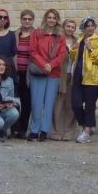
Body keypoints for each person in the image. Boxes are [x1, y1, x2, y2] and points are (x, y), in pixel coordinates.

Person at [27, 8, 68, 141]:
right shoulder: (37, 33)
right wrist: (43, 64)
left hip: (53, 73)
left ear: (57, 20)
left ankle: (45, 130)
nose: (51, 20)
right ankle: (34, 130)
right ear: (45, 18)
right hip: (39, 72)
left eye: (54, 18)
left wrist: (51, 65)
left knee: (49, 103)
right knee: (36, 103)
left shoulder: (60, 36)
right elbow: (33, 51)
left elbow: (62, 54)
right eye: (49, 17)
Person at [70, 17, 98, 143]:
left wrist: (91, 48)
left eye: (92, 26)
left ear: (95, 27)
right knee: (75, 104)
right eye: (87, 26)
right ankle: (86, 127)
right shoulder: (79, 38)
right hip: (78, 76)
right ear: (83, 28)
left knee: (90, 106)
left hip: (92, 78)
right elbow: (74, 57)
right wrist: (74, 49)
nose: (90, 28)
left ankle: (87, 132)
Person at [49, 18, 78, 141]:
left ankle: (69, 131)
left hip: (73, 74)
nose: (70, 29)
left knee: (71, 104)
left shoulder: (78, 41)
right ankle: (56, 130)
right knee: (58, 103)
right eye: (68, 26)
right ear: (64, 27)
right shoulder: (57, 40)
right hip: (60, 74)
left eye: (72, 27)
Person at [10, 9, 35, 138]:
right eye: (24, 19)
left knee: (27, 102)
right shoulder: (14, 35)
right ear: (20, 20)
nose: (27, 21)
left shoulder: (36, 35)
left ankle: (22, 130)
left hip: (29, 73)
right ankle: (14, 128)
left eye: (29, 19)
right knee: (14, 101)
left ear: (33, 21)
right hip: (15, 71)